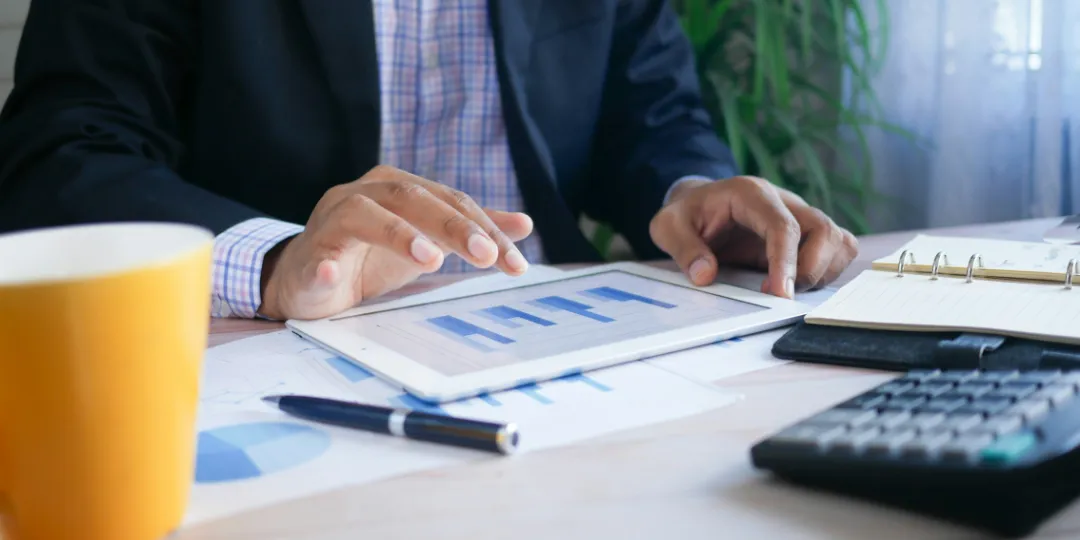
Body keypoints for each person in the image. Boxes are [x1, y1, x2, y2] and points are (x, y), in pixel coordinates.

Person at [0, 0, 857, 321]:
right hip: (271, 347)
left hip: (554, 338)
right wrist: (271, 259)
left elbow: (650, 113)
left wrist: (694, 191)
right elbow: (58, 156)